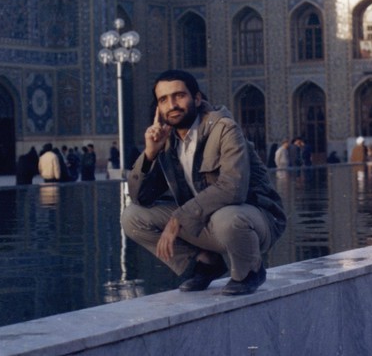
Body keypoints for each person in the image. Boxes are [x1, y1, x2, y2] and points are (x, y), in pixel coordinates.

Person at [122, 69, 286, 296]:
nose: (172, 105)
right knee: (132, 217)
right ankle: (206, 262)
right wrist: (150, 155)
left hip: (255, 219)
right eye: (164, 100)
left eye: (179, 96)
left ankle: (250, 271)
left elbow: (233, 189)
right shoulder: (167, 140)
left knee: (227, 218)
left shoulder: (224, 129)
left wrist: (179, 218)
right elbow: (141, 198)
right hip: (204, 220)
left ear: (197, 99)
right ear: (158, 107)